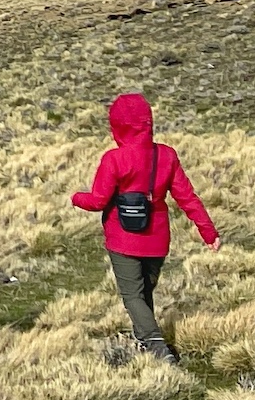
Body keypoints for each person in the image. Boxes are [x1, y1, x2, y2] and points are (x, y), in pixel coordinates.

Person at [70, 90, 216, 360]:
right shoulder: (167, 156)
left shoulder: (114, 159)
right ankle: (145, 341)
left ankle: (158, 348)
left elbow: (99, 200)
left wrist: (76, 198)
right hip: (157, 238)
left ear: (118, 126)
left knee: (133, 296)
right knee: (144, 291)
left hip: (122, 238)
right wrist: (208, 232)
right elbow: (187, 197)